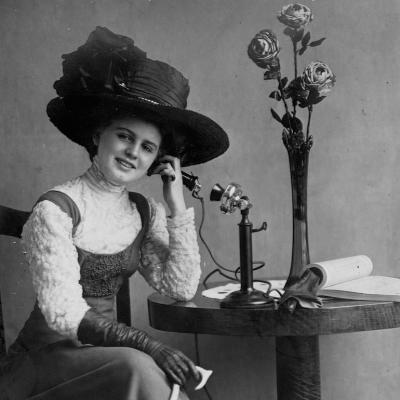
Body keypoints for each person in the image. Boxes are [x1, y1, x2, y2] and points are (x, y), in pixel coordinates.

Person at [0, 26, 229, 400]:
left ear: (158, 160)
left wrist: (175, 205)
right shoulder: (55, 208)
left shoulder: (142, 211)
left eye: (147, 147)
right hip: (43, 362)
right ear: (97, 135)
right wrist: (148, 345)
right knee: (139, 366)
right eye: (124, 136)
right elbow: (62, 314)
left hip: (105, 356)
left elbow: (180, 286)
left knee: (148, 370)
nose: (132, 153)